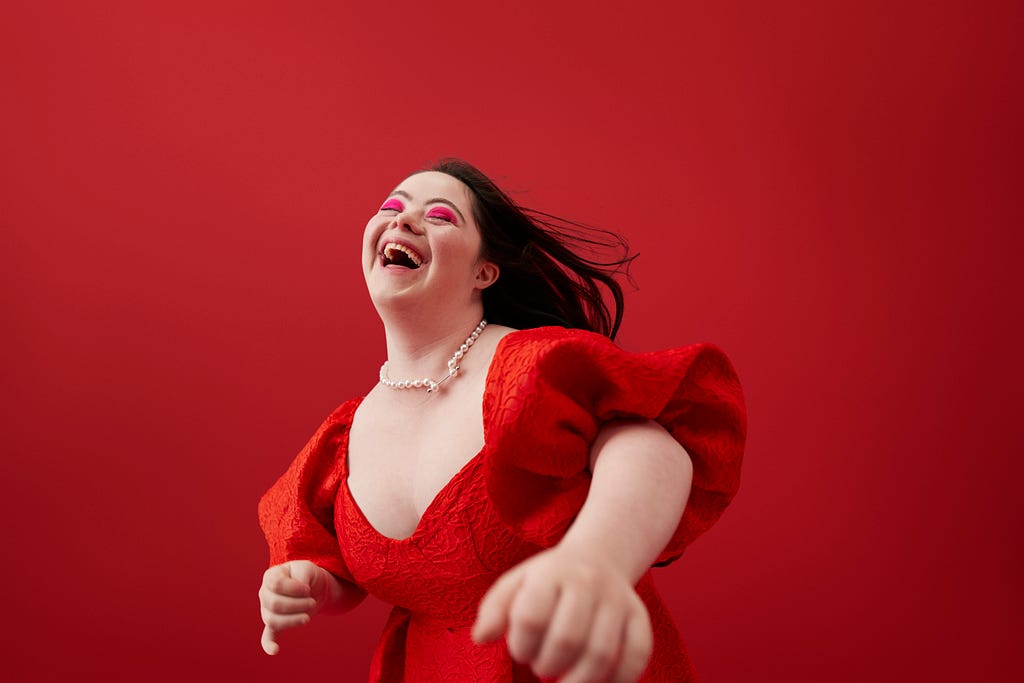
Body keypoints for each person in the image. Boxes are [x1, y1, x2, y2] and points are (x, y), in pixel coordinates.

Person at [257, 159, 746, 682]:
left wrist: (597, 562)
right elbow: (349, 576)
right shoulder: (342, 437)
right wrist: (312, 586)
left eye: (441, 216)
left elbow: (652, 449)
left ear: (483, 272)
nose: (402, 220)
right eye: (392, 207)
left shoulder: (530, 368)